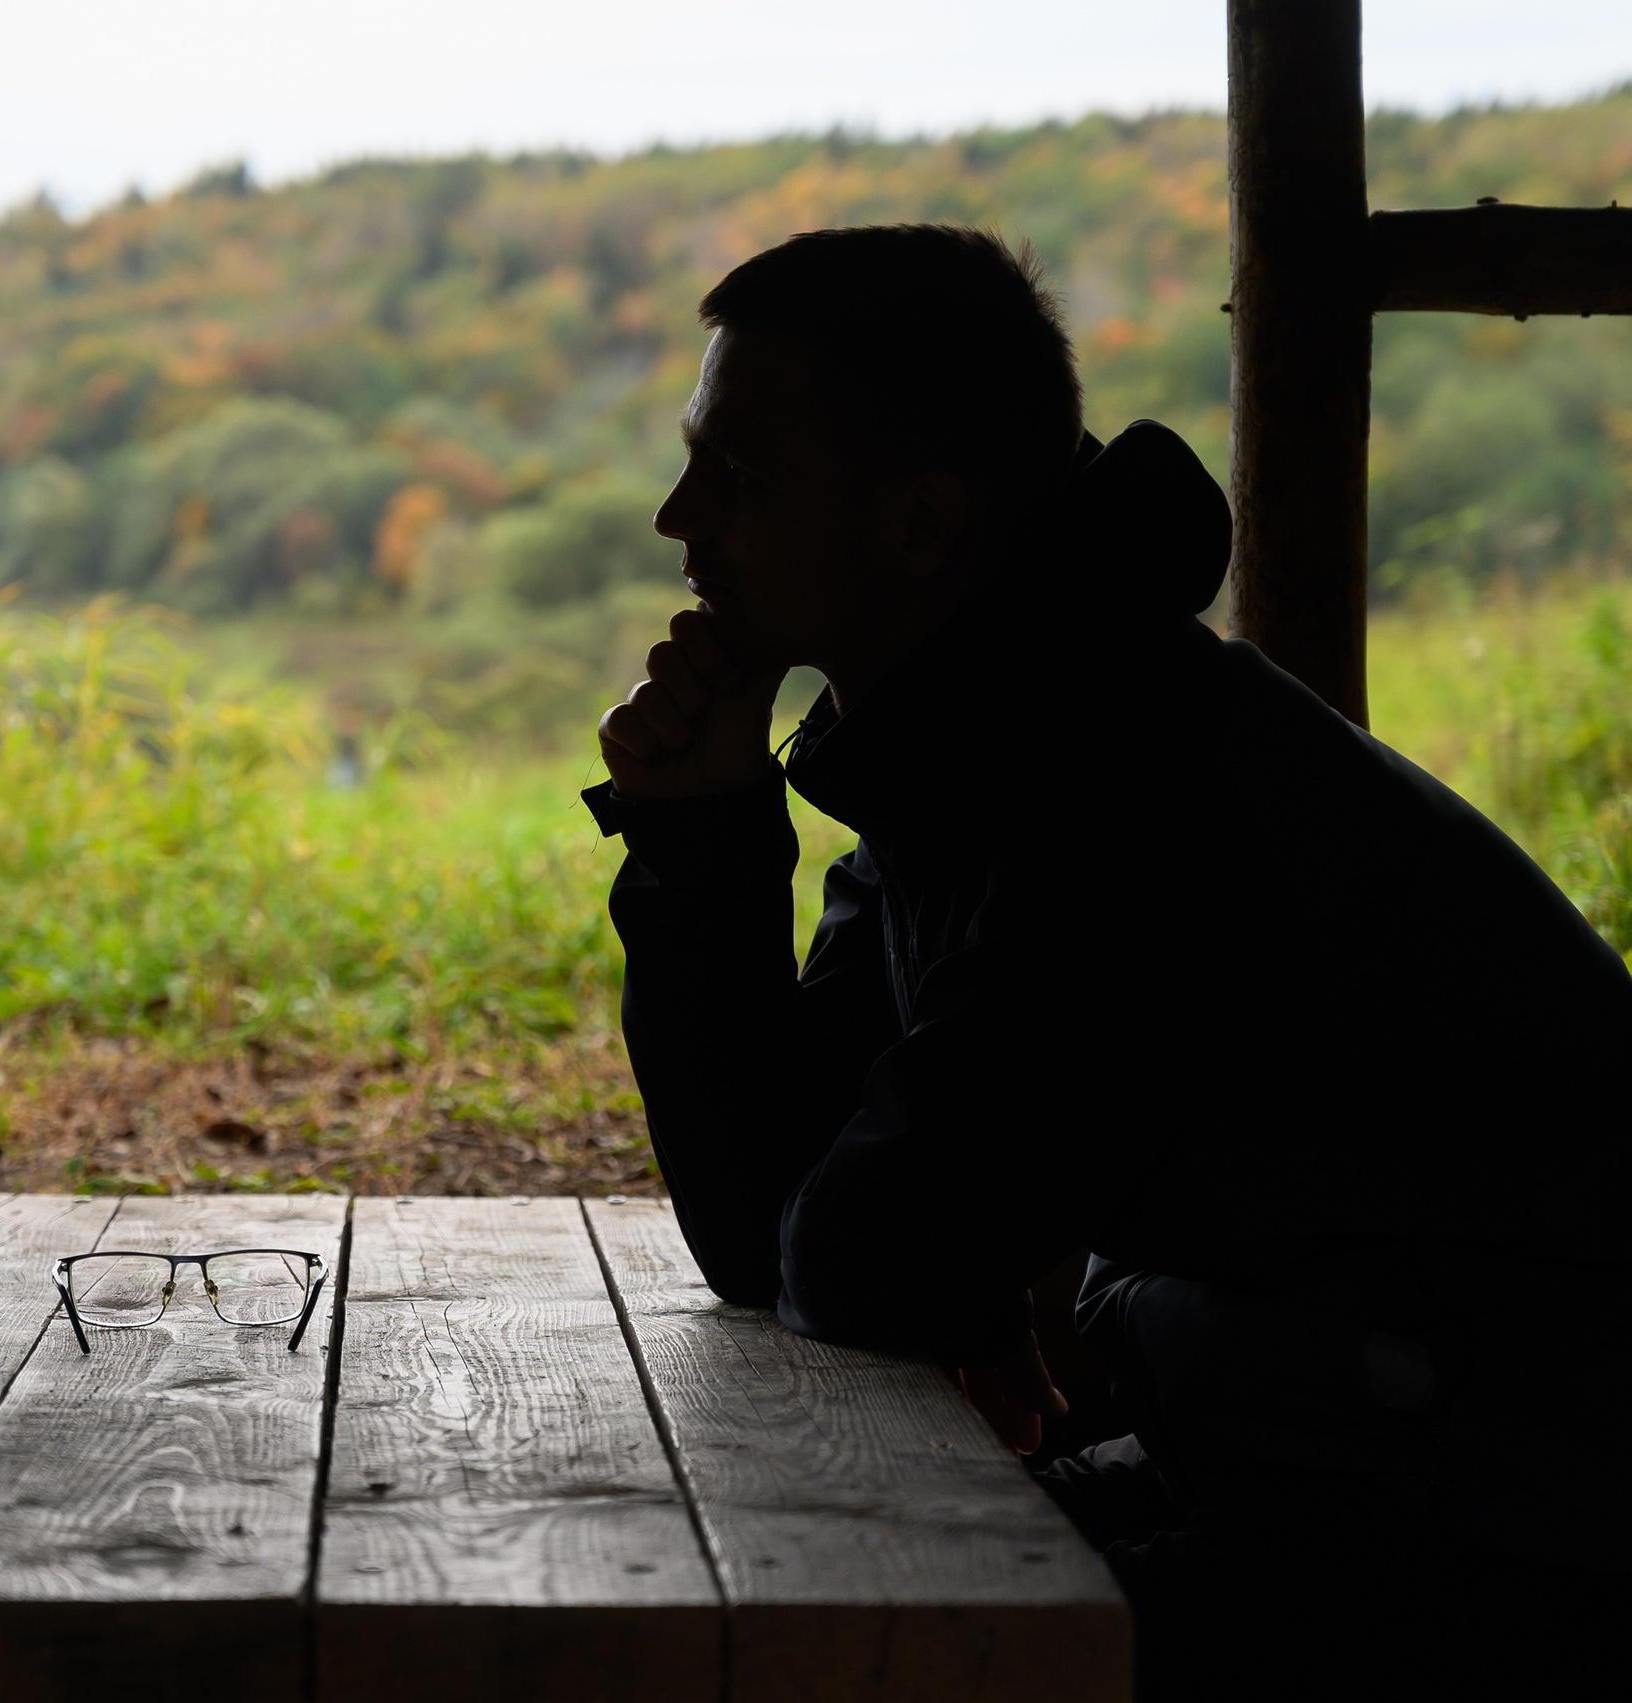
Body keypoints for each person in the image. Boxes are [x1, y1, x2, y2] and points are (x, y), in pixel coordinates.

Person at [587, 224, 1629, 1698]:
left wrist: (1021, 1289)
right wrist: (700, 836)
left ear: (917, 526)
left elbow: (869, 1247)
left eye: (736, 476)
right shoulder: (974, 741)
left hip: (1520, 1520)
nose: (676, 519)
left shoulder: (1124, 778)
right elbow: (777, 1224)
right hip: (1338, 1436)